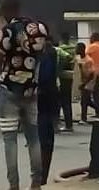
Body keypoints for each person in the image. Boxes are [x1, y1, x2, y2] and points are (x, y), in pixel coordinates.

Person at [0, 0, 47, 190]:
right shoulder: (39, 29)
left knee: (10, 140)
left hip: (9, 89)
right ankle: (36, 183)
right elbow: (40, 56)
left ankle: (14, 185)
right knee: (33, 137)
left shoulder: (7, 30)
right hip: (31, 90)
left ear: (7, 11)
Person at [36, 37, 60, 185]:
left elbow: (44, 77)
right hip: (48, 99)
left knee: (42, 140)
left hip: (41, 99)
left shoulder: (45, 55)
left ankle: (39, 178)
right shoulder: (51, 52)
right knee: (45, 140)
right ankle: (41, 177)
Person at [76, 43, 99, 122]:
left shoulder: (88, 60)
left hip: (89, 82)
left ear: (82, 49)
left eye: (77, 48)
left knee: (84, 101)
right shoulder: (78, 59)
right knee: (87, 101)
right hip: (83, 81)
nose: (76, 50)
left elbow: (91, 74)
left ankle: (83, 118)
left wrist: (84, 84)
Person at [55, 33, 76, 132]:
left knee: (59, 101)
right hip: (70, 75)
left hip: (62, 76)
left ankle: (58, 123)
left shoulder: (61, 49)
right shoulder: (73, 48)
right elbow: (73, 59)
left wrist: (60, 67)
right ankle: (69, 124)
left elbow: (67, 57)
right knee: (67, 101)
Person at [86, 33, 99, 116]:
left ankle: (98, 110)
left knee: (86, 94)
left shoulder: (92, 47)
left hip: (91, 73)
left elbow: (84, 57)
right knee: (97, 93)